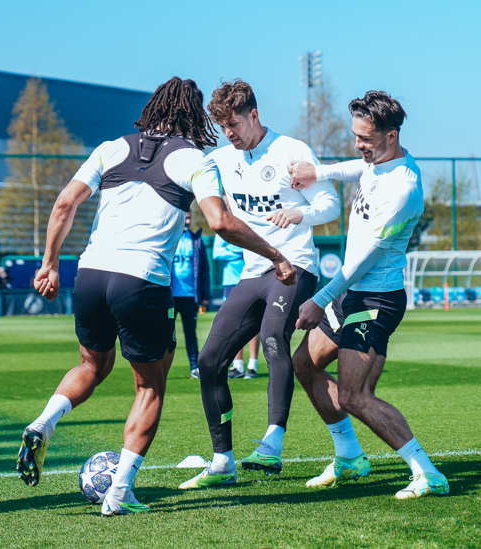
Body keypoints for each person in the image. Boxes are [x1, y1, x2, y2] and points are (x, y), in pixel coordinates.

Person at [15, 77, 296, 516]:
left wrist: (49, 264)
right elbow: (219, 221)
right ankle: (120, 492)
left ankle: (43, 422)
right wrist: (274, 253)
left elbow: (64, 203)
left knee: (92, 364)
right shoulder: (194, 159)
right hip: (140, 280)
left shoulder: (111, 147)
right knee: (150, 384)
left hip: (90, 273)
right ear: (193, 116)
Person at [179, 80, 340, 489]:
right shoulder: (218, 159)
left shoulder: (292, 150)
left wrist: (299, 215)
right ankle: (222, 461)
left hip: (295, 268)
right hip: (253, 272)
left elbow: (331, 204)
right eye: (223, 127)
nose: (229, 133)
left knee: (272, 337)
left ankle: (272, 445)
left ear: (254, 114)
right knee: (211, 360)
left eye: (234, 124)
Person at [290, 90, 449, 499]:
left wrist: (321, 298)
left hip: (374, 300)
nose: (359, 145)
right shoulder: (374, 162)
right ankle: (349, 457)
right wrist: (318, 171)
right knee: (304, 365)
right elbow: (353, 169)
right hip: (352, 293)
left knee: (354, 396)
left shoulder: (403, 188)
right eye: (357, 136)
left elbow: (362, 260)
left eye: (366, 138)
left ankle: (426, 472)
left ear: (391, 135)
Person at [212, 234, 260, 379]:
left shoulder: (250, 225)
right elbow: (217, 253)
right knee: (234, 324)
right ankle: (238, 365)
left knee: (254, 322)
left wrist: (232, 250)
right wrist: (243, 250)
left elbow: (258, 250)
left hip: (251, 278)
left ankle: (253, 365)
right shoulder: (222, 230)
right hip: (230, 282)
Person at [171, 211, 210, 378]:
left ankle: (194, 367)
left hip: (190, 298)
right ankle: (161, 368)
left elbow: (204, 270)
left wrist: (205, 296)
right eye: (184, 217)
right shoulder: (168, 239)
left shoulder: (196, 241)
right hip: (169, 299)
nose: (187, 220)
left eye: (189, 217)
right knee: (166, 333)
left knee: (190, 333)